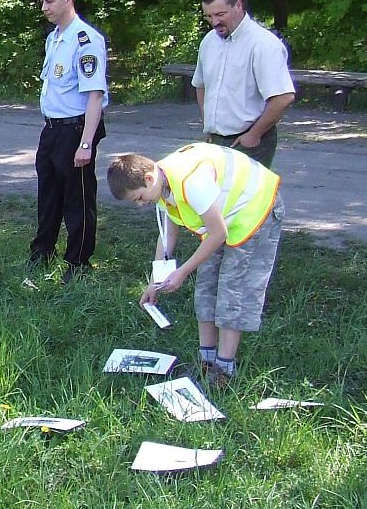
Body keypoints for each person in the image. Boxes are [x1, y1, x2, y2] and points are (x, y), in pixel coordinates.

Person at [107, 143, 284, 387]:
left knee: (234, 289)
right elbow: (167, 236)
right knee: (207, 286)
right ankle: (206, 360)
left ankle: (224, 369)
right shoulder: (160, 186)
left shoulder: (192, 183)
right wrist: (153, 283)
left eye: (138, 198)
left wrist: (183, 271)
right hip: (221, 221)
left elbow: (218, 234)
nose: (140, 204)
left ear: (148, 178)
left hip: (254, 213)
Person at [29, 0, 108, 282]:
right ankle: (42, 252)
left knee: (78, 199)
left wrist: (86, 143)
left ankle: (78, 262)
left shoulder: (86, 40)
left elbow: (95, 96)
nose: (44, 7)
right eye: (42, 1)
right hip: (51, 130)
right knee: (48, 194)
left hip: (75, 130)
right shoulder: (54, 38)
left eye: (49, 1)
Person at [193, 0, 294, 169]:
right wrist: (208, 124)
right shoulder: (209, 42)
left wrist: (254, 134)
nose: (214, 22)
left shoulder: (263, 44)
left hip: (250, 143)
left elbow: (283, 96)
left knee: (248, 199)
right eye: (208, 16)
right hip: (215, 141)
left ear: (238, 5)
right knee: (218, 198)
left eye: (220, 14)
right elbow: (201, 85)